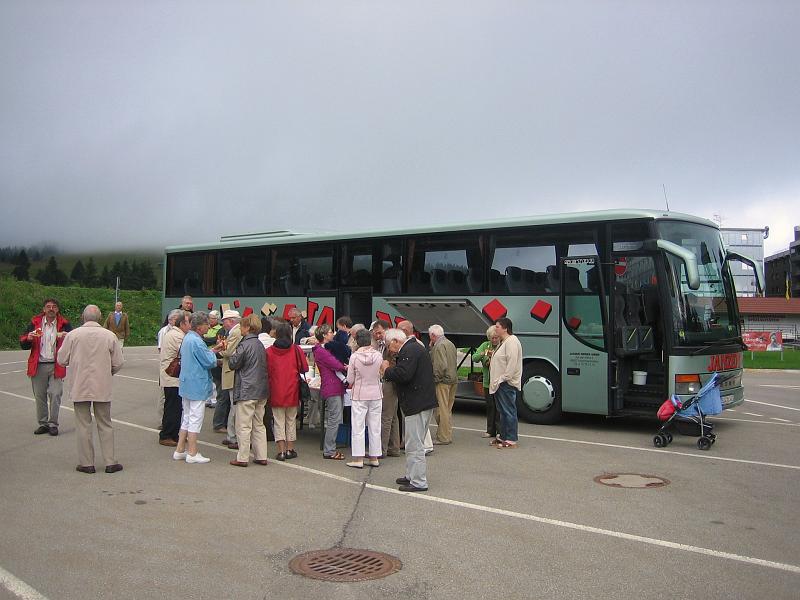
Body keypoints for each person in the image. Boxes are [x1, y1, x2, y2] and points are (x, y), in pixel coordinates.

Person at [57, 305, 124, 474]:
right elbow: (118, 362)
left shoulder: (73, 335)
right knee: (105, 423)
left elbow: (62, 359)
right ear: (100, 317)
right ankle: (110, 462)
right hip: (102, 385)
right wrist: (109, 372)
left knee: (83, 424)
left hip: (80, 384)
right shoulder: (110, 336)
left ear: (83, 317)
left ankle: (87, 463)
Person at [382, 328, 437, 492]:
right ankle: (411, 475)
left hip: (417, 403)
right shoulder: (413, 348)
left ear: (395, 341)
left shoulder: (410, 350)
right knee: (413, 442)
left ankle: (419, 481)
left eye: (388, 345)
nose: (388, 349)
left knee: (415, 444)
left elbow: (404, 374)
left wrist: (386, 369)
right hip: (421, 402)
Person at [175, 312, 224, 464]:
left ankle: (180, 449)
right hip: (197, 384)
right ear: (200, 326)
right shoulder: (197, 341)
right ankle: (192, 452)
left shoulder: (188, 338)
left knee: (187, 417)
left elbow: (202, 355)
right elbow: (208, 361)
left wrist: (214, 349)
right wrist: (217, 357)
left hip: (186, 382)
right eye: (206, 324)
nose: (208, 326)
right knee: (196, 418)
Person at [20, 298, 72, 436]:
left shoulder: (65, 324)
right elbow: (23, 342)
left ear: (57, 310)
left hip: (57, 365)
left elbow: (74, 341)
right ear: (44, 309)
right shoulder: (35, 323)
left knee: (55, 394)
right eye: (48, 306)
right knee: (40, 396)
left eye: (54, 306)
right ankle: (43, 423)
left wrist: (66, 338)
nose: (51, 309)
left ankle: (53, 423)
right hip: (38, 365)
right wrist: (28, 339)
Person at [228, 314, 270, 467]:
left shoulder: (244, 345)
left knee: (243, 425)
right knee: (259, 424)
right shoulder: (259, 344)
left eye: (242, 326)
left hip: (247, 388)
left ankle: (242, 457)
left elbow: (233, 363)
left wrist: (230, 355)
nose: (240, 328)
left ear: (247, 327)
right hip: (261, 389)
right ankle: (261, 455)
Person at [267, 322, 308, 460]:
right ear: (290, 334)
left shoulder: (269, 351)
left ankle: (281, 451)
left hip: (276, 390)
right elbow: (305, 368)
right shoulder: (296, 349)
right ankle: (290, 449)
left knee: (278, 421)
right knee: (291, 420)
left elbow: (265, 371)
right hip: (292, 390)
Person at [347, 329, 383, 468]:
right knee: (375, 426)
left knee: (358, 426)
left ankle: (358, 459)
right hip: (376, 393)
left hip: (360, 394)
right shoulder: (378, 355)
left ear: (357, 341)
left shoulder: (354, 357)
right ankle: (374, 457)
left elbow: (350, 379)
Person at [398, 320, 434, 455]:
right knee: (418, 431)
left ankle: (417, 475)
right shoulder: (417, 345)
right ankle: (424, 447)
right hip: (422, 396)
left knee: (416, 437)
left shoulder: (411, 348)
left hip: (416, 397)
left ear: (405, 331)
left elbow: (406, 374)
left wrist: (389, 371)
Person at [312, 325, 347, 460]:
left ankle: (330, 448)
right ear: (325, 335)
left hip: (333, 386)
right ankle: (329, 450)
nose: (333, 334)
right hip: (332, 386)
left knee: (335, 417)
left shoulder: (322, 350)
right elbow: (336, 364)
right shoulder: (322, 351)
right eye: (331, 332)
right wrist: (343, 365)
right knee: (334, 418)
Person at [489, 318, 523, 449]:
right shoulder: (504, 342)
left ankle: (511, 439)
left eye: (497, 326)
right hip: (500, 383)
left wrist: (503, 378)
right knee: (502, 411)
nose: (495, 328)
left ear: (505, 328)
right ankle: (503, 436)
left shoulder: (512, 342)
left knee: (508, 410)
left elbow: (512, 363)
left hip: (506, 383)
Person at [159, 309, 189, 446]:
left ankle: (173, 434)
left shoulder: (174, 334)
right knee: (173, 407)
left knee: (175, 407)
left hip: (171, 376)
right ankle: (167, 435)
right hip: (172, 377)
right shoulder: (178, 336)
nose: (190, 326)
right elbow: (187, 351)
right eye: (188, 323)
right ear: (182, 324)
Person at [371, 320, 401, 458]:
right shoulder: (381, 344)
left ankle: (381, 450)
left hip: (389, 382)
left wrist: (385, 367)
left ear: (386, 330)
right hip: (390, 381)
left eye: (379, 332)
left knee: (386, 417)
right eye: (375, 333)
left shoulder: (392, 344)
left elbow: (393, 363)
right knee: (392, 417)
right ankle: (394, 448)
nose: (377, 336)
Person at [216, 309, 242, 449]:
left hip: (231, 372)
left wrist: (217, 349)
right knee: (233, 406)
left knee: (235, 406)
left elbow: (228, 351)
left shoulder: (236, 332)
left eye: (224, 321)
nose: (223, 324)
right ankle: (232, 436)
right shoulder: (234, 332)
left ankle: (235, 437)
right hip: (230, 371)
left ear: (231, 321)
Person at [428, 324, 458, 445]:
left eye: (431, 337)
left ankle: (443, 437)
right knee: (448, 409)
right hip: (453, 379)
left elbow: (440, 366)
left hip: (443, 382)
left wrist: (435, 379)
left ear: (433, 335)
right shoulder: (450, 343)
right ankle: (447, 434)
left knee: (441, 410)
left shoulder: (439, 346)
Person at [473, 325, 500, 439]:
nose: (494, 340)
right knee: (490, 407)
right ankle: (490, 430)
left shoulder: (502, 346)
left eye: (496, 338)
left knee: (499, 407)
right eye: (492, 338)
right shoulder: (485, 345)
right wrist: (484, 354)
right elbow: (475, 358)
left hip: (498, 382)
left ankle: (499, 431)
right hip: (487, 382)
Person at [202, 310, 223, 408]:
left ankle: (214, 399)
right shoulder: (208, 328)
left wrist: (206, 340)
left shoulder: (220, 328)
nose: (210, 320)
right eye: (209, 318)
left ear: (217, 319)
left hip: (214, 355)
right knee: (207, 378)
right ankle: (208, 398)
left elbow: (213, 340)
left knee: (214, 379)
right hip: (206, 354)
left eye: (212, 318)